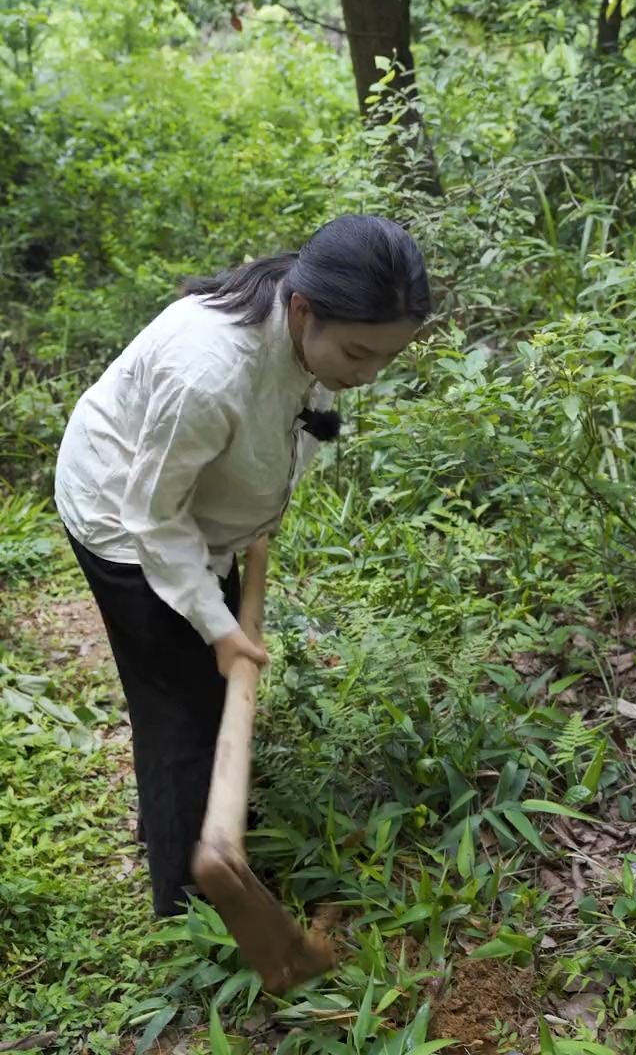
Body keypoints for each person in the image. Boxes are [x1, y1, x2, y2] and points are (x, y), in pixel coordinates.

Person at [55, 213, 431, 918]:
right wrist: (217, 623)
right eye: (359, 354)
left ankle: (192, 822)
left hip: (193, 514)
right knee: (181, 710)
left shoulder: (314, 334)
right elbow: (154, 518)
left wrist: (239, 561)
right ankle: (189, 906)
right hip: (123, 516)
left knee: (202, 680)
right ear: (301, 310)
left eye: (386, 358)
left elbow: (292, 422)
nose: (368, 376)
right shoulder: (209, 373)